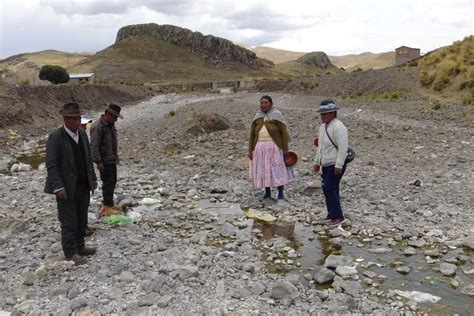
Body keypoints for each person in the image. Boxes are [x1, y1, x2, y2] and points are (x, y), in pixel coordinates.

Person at [44, 102, 98, 265]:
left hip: (83, 184)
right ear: (65, 120)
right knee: (68, 221)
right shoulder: (56, 137)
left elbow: (88, 158)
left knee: (82, 218)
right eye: (73, 119)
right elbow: (51, 164)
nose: (77, 122)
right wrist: (58, 186)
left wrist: (93, 178)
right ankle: (70, 252)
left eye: (78, 118)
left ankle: (80, 246)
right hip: (66, 187)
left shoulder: (82, 134)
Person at [248, 95, 293, 203]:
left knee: (277, 169)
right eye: (261, 103)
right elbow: (252, 135)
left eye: (265, 103)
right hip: (260, 148)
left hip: (274, 147)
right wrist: (250, 150)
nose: (263, 105)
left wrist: (285, 150)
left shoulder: (277, 116)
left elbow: (284, 133)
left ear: (271, 104)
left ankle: (280, 194)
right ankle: (267, 194)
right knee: (264, 170)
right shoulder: (257, 117)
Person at [313, 99, 349, 226]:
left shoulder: (339, 127)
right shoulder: (323, 128)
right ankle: (331, 214)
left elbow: (343, 147)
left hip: (335, 163)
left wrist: (339, 164)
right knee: (327, 188)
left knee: (330, 188)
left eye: (325, 114)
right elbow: (320, 147)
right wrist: (317, 162)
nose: (322, 116)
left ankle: (338, 216)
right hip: (326, 163)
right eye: (322, 114)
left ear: (333, 113)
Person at [90, 104, 123, 215]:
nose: (116, 119)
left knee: (113, 181)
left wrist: (115, 157)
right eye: (114, 117)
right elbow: (94, 146)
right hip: (104, 161)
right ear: (108, 114)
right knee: (108, 182)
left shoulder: (111, 124)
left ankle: (109, 203)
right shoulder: (98, 126)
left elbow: (113, 143)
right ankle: (107, 206)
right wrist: (98, 162)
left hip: (111, 159)